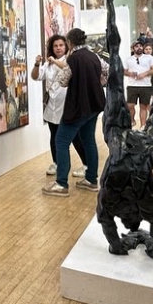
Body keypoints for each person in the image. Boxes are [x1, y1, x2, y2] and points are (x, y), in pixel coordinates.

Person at [42, 28, 105, 197]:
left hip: (78, 106)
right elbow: (105, 73)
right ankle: (91, 180)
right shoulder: (94, 56)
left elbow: (63, 81)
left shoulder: (73, 59)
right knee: (89, 140)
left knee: (61, 141)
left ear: (69, 43)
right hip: (94, 105)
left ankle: (61, 183)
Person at [32, 34, 87, 178]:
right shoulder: (48, 64)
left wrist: (55, 61)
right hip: (52, 105)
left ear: (66, 46)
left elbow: (68, 68)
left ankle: (87, 165)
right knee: (54, 135)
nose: (58, 48)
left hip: (68, 105)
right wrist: (37, 64)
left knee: (75, 137)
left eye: (61, 45)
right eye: (55, 46)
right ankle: (56, 163)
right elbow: (35, 76)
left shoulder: (71, 59)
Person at [123, 40, 153, 129]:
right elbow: (123, 71)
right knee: (130, 105)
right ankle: (132, 120)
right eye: (137, 46)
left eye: (140, 46)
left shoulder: (149, 58)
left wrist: (145, 74)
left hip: (145, 85)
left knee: (143, 106)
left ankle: (143, 125)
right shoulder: (128, 59)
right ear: (133, 49)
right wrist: (130, 74)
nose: (139, 48)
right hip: (132, 85)